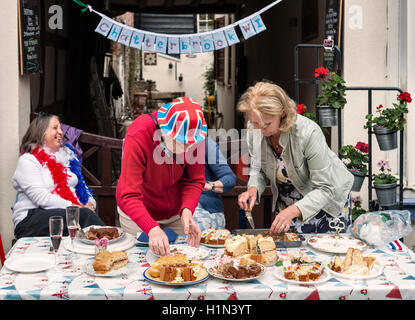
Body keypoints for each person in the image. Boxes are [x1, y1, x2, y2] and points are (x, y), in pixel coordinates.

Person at [237, 81, 354, 234]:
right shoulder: (255, 130)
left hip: (326, 203)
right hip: (288, 204)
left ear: (283, 114)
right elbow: (258, 169)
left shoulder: (308, 133)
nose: (260, 129)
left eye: (266, 124)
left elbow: (325, 189)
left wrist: (292, 211)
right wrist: (253, 189)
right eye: (255, 123)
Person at [116, 97, 207, 256]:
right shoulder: (139, 133)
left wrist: (187, 210)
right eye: (181, 143)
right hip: (138, 212)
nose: (187, 150)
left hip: (175, 212)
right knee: (139, 263)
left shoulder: (195, 135)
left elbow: (194, 180)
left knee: (183, 260)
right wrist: (151, 228)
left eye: (190, 145)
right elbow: (129, 194)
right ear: (164, 131)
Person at [12, 113, 105, 239]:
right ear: (41, 132)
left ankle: (103, 248)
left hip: (64, 212)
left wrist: (89, 203)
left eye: (61, 128)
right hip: (31, 218)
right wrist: (77, 208)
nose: (61, 132)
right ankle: (110, 247)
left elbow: (81, 188)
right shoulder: (28, 160)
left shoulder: (66, 158)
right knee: (84, 216)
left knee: (85, 215)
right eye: (55, 128)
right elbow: (42, 198)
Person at [193, 137, 237, 231]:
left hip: (205, 209)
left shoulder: (205, 143)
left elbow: (229, 178)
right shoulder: (162, 146)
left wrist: (208, 185)